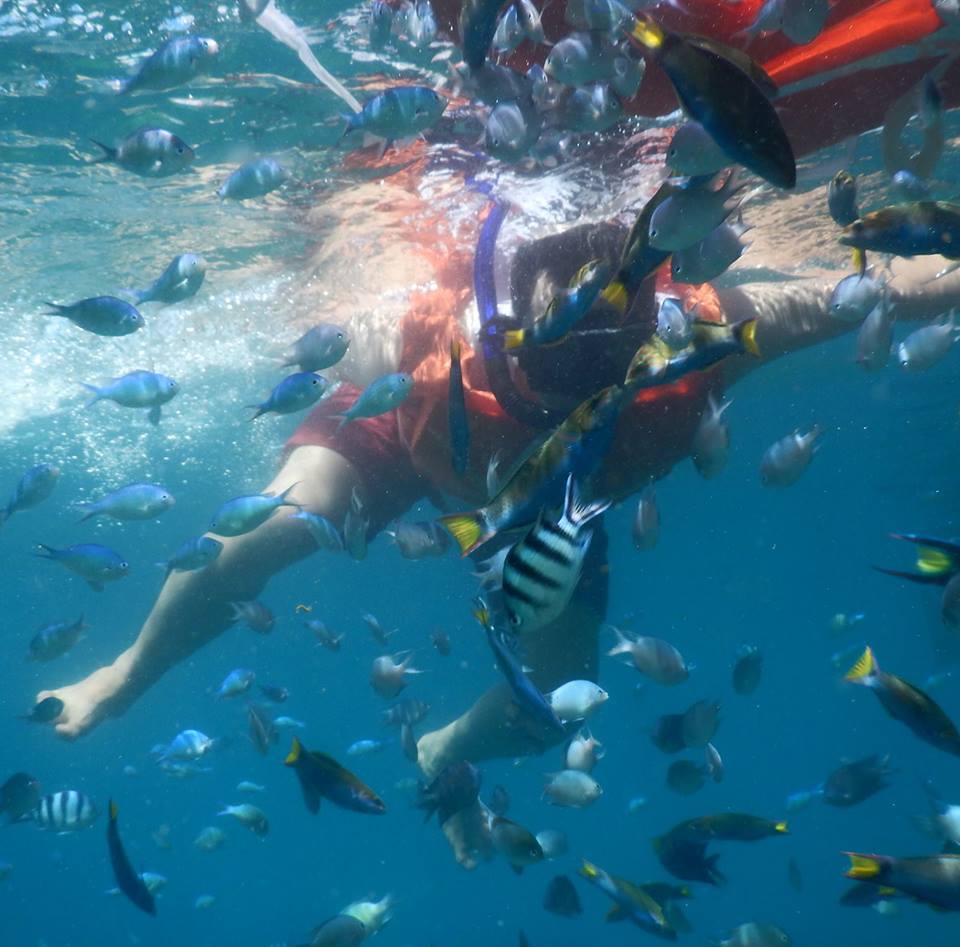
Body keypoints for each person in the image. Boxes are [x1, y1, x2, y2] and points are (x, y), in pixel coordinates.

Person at [37, 5, 960, 785]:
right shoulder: (431, 331)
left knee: (554, 711)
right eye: (547, 340)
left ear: (650, 323)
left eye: (603, 342)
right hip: (401, 430)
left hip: (550, 520)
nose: (571, 353)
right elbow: (870, 292)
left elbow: (877, 288)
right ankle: (125, 674)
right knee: (259, 533)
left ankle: (440, 750)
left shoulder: (697, 341)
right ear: (504, 307)